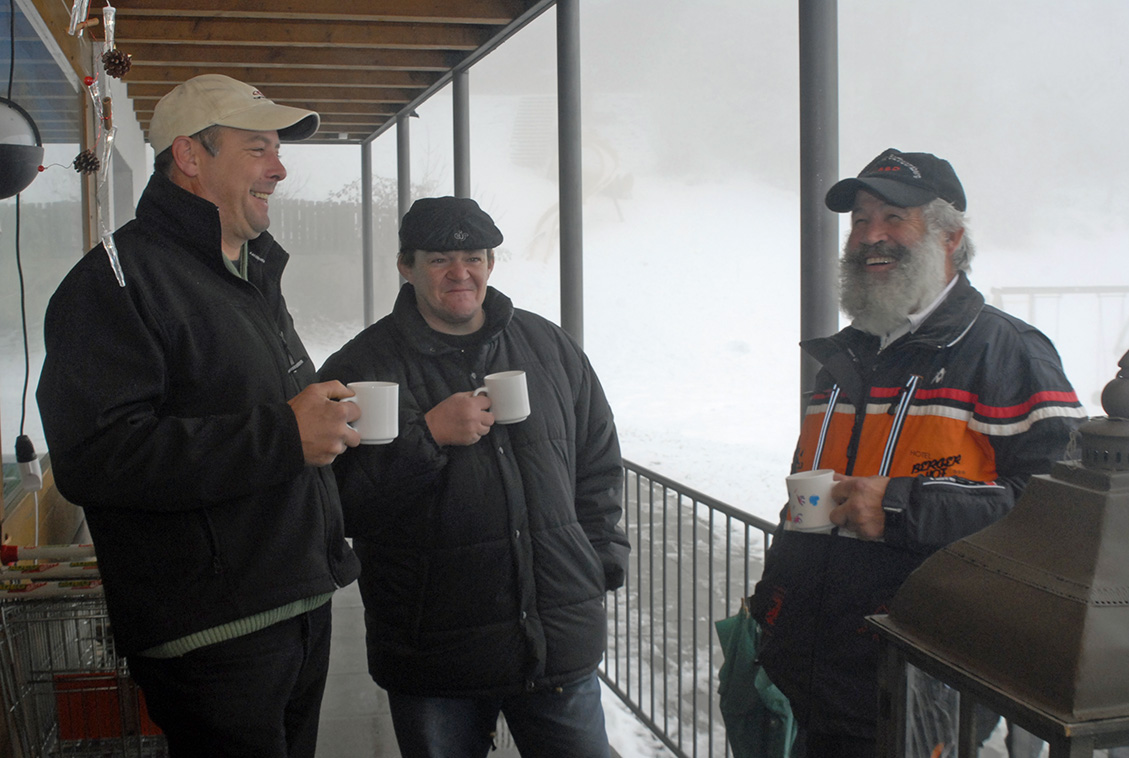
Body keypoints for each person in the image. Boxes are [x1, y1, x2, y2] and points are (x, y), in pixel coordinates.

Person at [35, 74, 362, 757]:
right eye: (257, 148)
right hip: (214, 633)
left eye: (277, 150)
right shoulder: (114, 281)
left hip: (296, 602)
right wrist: (284, 434)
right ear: (189, 155)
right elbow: (96, 456)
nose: (279, 168)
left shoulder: (247, 275)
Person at [750, 148, 1086, 758]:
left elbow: (1061, 514)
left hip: (925, 685)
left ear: (950, 237)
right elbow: (807, 496)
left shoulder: (1006, 350)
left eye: (893, 218)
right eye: (859, 220)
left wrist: (901, 506)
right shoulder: (845, 357)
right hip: (813, 678)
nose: (869, 236)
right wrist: (772, 604)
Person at [317, 196, 631, 758]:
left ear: (490, 263)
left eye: (474, 257)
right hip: (434, 655)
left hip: (554, 641)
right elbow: (336, 502)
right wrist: (428, 436)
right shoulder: (361, 367)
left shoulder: (549, 347)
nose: (460, 272)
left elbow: (599, 461)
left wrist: (599, 559)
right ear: (406, 266)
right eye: (439, 259)